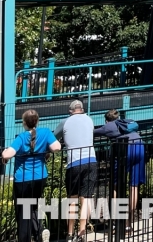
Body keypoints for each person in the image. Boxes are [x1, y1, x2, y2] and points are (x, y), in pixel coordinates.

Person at [2, 110, 60, 242]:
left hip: (23, 179)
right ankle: (39, 230)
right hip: (40, 176)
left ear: (24, 123)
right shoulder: (45, 132)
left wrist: (4, 152)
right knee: (32, 205)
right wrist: (46, 151)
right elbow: (57, 147)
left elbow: (7, 155)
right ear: (37, 121)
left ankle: (25, 238)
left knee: (23, 212)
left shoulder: (21, 137)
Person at [56, 99, 97, 241]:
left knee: (72, 199)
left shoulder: (65, 122)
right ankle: (82, 233)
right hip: (91, 160)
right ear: (82, 109)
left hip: (74, 163)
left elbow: (55, 138)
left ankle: (69, 234)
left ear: (70, 111)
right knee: (86, 199)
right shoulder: (90, 120)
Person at [94, 110, 145, 225]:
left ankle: (117, 221)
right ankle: (128, 223)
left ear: (106, 120)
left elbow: (90, 132)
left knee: (115, 185)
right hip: (140, 146)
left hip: (126, 149)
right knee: (134, 187)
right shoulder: (126, 123)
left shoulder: (107, 126)